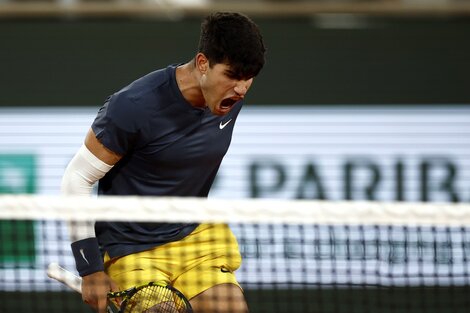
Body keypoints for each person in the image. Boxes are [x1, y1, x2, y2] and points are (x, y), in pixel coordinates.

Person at [61, 12, 266, 313]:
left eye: (249, 78)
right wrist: (89, 267)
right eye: (233, 75)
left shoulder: (228, 98)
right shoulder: (133, 106)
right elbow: (76, 179)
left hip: (195, 236)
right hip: (133, 248)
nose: (242, 88)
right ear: (202, 64)